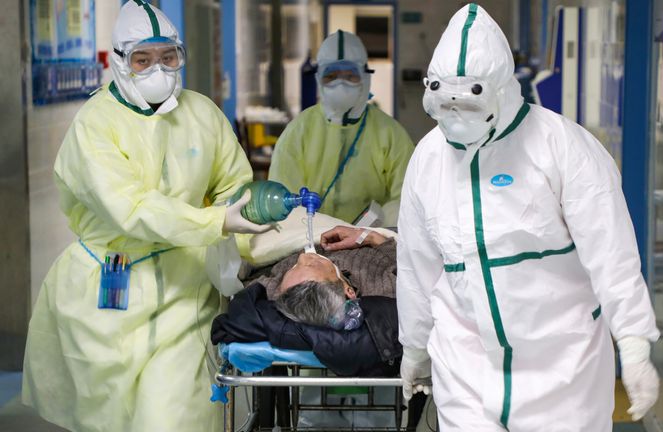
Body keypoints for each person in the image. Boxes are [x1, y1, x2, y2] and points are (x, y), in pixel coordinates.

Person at [396, 4, 660, 432]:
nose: (455, 118)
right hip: (466, 364)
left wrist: (633, 342)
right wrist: (415, 348)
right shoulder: (428, 158)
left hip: (562, 369)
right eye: (446, 105)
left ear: (499, 91)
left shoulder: (564, 147)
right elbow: (416, 264)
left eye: (467, 105)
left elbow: (611, 253)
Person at [22, 2, 267, 431]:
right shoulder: (94, 125)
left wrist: (239, 236)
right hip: (107, 297)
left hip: (183, 293)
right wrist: (215, 222)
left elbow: (236, 185)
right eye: (143, 60)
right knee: (107, 417)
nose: (159, 70)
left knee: (172, 415)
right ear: (119, 62)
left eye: (169, 57)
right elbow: (130, 208)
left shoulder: (202, 114)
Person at [268, 30, 414, 226]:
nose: (340, 84)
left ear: (365, 77)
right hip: (308, 239)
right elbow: (281, 199)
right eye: (332, 75)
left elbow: (408, 199)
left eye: (350, 75)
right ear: (319, 78)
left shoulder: (390, 134)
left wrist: (376, 228)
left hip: (371, 241)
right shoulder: (298, 132)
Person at [250, 226, 395, 327]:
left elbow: (241, 284)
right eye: (314, 264)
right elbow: (409, 265)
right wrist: (368, 236)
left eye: (291, 269)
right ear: (348, 290)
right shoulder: (383, 288)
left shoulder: (275, 291)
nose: (302, 257)